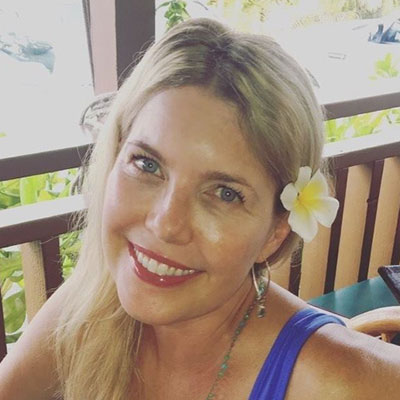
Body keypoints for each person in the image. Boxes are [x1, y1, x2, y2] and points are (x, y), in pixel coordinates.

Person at [1, 17, 400, 400]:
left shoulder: (343, 380)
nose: (166, 224)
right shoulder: (88, 310)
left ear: (275, 233)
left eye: (225, 193)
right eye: (147, 164)